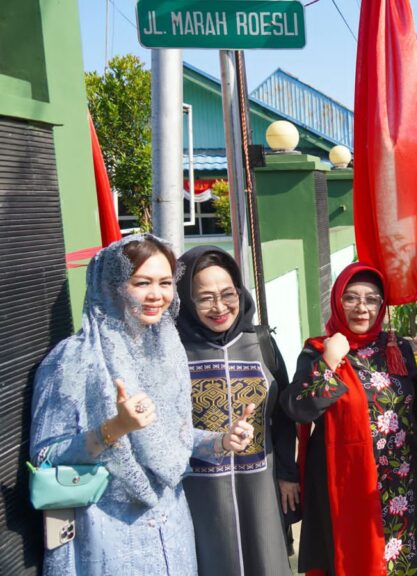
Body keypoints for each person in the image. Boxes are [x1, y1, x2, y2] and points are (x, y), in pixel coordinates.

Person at [30, 235, 254, 575]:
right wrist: (114, 429)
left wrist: (220, 441)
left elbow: (170, 439)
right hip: (108, 534)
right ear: (113, 285)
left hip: (174, 529)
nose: (156, 295)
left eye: (165, 283)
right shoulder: (73, 359)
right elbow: (46, 459)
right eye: (141, 282)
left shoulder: (166, 352)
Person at [280, 263, 417, 575]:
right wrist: (330, 362)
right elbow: (298, 408)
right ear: (336, 301)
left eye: (372, 299)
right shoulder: (319, 351)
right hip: (347, 483)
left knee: (400, 558)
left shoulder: (397, 348)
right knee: (354, 559)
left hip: (399, 480)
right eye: (351, 298)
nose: (362, 307)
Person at [175, 246, 296, 575]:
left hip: (260, 485)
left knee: (266, 559)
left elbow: (283, 416)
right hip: (198, 492)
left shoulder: (260, 344)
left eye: (227, 294)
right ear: (185, 299)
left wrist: (287, 474)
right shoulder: (173, 351)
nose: (219, 307)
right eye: (205, 297)